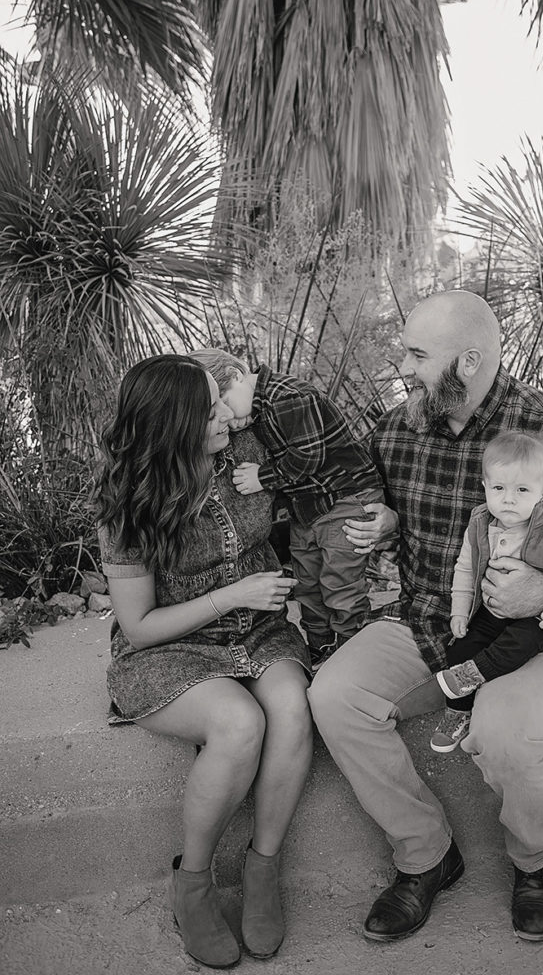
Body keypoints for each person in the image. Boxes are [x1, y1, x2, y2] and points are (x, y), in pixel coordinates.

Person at [308, 291, 543, 944]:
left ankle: (536, 863)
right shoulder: (397, 428)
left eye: (415, 353)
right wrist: (380, 517)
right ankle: (427, 856)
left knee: (505, 736)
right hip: (428, 616)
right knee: (335, 696)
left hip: (527, 629)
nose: (400, 364)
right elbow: (357, 494)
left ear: (466, 361)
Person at [95, 354, 312, 969]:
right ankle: (193, 883)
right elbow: (138, 628)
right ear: (172, 424)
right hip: (169, 648)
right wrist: (233, 594)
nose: (227, 414)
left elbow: (330, 455)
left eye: (223, 399)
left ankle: (262, 868)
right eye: (210, 407)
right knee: (239, 723)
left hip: (261, 631)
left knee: (292, 709)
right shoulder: (128, 503)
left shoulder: (243, 444)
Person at [190, 348, 384, 669]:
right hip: (306, 507)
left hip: (341, 500)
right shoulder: (257, 411)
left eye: (224, 400)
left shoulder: (289, 397)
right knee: (306, 581)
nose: (226, 416)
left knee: (340, 580)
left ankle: (353, 649)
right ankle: (320, 644)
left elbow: (309, 457)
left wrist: (261, 477)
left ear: (237, 376)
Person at [430, 430, 543, 753]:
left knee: (519, 642)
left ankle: (474, 674)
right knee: (460, 647)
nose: (508, 499)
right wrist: (459, 611)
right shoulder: (480, 524)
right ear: (485, 488)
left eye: (522, 490)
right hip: (492, 611)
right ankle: (458, 712)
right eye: (499, 488)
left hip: (540, 618)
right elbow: (464, 569)